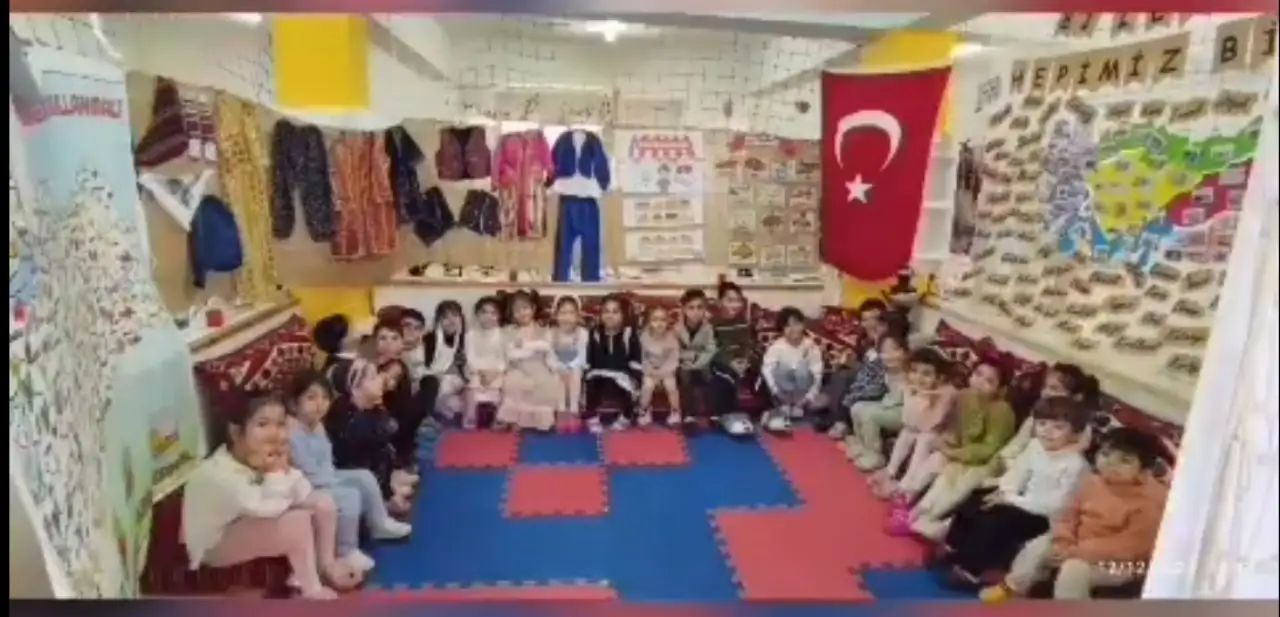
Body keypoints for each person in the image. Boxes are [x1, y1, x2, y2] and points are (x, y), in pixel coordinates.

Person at [182, 391, 355, 599]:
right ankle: (311, 588)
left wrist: (284, 470)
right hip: (213, 546)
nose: (274, 433)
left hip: (246, 518)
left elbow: (303, 491)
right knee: (297, 522)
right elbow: (265, 509)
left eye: (280, 424)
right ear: (236, 432)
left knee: (323, 504)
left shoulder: (255, 455)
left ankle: (326, 566)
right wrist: (276, 473)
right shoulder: (220, 474)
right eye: (262, 424)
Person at [982, 428, 1168, 602]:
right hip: (1077, 545)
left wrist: (1076, 552)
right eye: (1105, 454)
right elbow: (1068, 514)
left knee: (1074, 570)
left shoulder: (1151, 499)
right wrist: (1063, 542)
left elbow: (1131, 546)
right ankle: (1014, 588)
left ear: (1144, 469)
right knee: (1038, 547)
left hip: (1125, 563)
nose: (1111, 463)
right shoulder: (1092, 481)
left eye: (1125, 461)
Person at [935, 396, 1090, 587]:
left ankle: (972, 571)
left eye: (1058, 427)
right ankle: (954, 548)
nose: (1047, 431)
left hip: (1046, 517)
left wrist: (1011, 499)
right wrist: (1002, 492)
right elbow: (1017, 473)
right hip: (1021, 501)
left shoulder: (1075, 464)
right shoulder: (1035, 445)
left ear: (1075, 433)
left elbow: (1057, 506)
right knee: (977, 498)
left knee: (996, 520)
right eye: (1042, 424)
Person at [286, 371, 411, 577]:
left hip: (326, 476)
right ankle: (346, 550)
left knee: (364, 476)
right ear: (294, 404)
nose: (319, 404)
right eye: (311, 398)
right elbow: (305, 468)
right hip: (308, 486)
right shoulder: (292, 432)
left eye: (324, 398)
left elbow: (326, 458)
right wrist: (331, 480)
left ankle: (379, 522)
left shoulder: (317, 425)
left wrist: (332, 476)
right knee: (349, 495)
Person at [908, 357, 1018, 537]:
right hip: (962, 452)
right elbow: (955, 429)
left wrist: (954, 452)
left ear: (1001, 390)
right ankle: (912, 504)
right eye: (978, 374)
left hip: (988, 462)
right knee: (941, 463)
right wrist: (946, 443)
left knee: (962, 477)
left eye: (989, 381)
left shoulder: (1002, 411)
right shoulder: (964, 396)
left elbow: (989, 449)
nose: (980, 382)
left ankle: (931, 517)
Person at [324, 358, 413, 516]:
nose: (380, 380)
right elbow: (370, 449)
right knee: (381, 451)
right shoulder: (350, 417)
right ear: (355, 389)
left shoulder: (366, 409)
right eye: (372, 378)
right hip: (351, 474)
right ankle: (382, 499)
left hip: (367, 469)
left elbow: (388, 430)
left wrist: (377, 406)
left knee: (385, 450)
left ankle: (387, 490)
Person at [872, 347, 957, 505]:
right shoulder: (915, 388)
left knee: (924, 440)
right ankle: (890, 472)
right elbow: (910, 421)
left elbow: (932, 424)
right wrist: (914, 395)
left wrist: (926, 399)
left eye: (926, 374)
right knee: (907, 432)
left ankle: (905, 486)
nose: (918, 377)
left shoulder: (946, 393)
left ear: (940, 377)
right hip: (923, 427)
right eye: (914, 371)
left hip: (941, 434)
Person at [994, 363, 1100, 474]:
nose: (1046, 393)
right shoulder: (1036, 416)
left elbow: (1065, 465)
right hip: (1016, 470)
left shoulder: (1080, 429)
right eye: (1044, 387)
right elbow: (1013, 448)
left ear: (1076, 397)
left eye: (1055, 389)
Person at [496, 290, 561, 431]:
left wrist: (526, 346)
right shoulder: (508, 331)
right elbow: (511, 353)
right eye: (517, 310)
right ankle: (515, 420)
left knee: (545, 384)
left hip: (539, 366)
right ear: (511, 314)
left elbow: (547, 348)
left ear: (533, 308)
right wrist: (531, 348)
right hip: (517, 367)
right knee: (514, 382)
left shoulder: (542, 329)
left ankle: (539, 421)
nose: (522, 313)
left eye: (525, 308)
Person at [845, 334, 910, 468]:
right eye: (884, 351)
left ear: (904, 351)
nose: (889, 355)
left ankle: (875, 456)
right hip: (889, 405)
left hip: (905, 412)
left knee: (869, 415)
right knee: (857, 407)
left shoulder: (911, 371)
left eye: (895, 350)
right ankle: (862, 445)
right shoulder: (886, 370)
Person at [707, 281, 762, 436]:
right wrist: (731, 362)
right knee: (722, 374)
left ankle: (768, 411)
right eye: (730, 300)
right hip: (723, 362)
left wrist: (745, 361)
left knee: (762, 368)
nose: (735, 305)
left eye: (738, 300)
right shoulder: (712, 324)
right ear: (719, 302)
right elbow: (715, 348)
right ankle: (724, 414)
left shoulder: (744, 323)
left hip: (742, 363)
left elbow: (748, 345)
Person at [760, 306, 824, 434]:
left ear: (803, 325)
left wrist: (808, 398)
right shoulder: (777, 347)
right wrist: (776, 392)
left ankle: (798, 407)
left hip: (803, 392)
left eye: (796, 324)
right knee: (783, 368)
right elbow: (767, 370)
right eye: (787, 326)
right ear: (782, 329)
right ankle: (784, 406)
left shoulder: (811, 346)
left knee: (801, 369)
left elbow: (817, 374)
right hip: (782, 392)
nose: (792, 329)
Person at [584, 293, 643, 432]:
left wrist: (634, 378)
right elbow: (592, 358)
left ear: (623, 315)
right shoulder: (595, 333)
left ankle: (626, 417)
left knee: (627, 387)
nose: (610, 316)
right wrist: (590, 373)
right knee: (592, 384)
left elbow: (635, 359)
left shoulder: (629, 333)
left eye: (615, 312)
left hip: (623, 375)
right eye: (606, 311)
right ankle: (592, 417)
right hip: (600, 374)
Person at [417, 301, 467, 424]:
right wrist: (435, 375)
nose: (451, 321)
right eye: (445, 317)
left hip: (453, 380)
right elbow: (421, 365)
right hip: (431, 380)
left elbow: (464, 369)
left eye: (454, 315)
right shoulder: (429, 339)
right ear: (438, 320)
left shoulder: (464, 339)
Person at [675, 288, 717, 432]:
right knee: (685, 375)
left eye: (700, 307)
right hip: (683, 364)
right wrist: (689, 358)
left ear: (705, 309)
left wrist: (698, 363)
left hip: (702, 364)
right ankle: (689, 416)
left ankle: (713, 413)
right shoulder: (677, 328)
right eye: (691, 308)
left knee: (708, 375)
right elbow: (674, 350)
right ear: (683, 309)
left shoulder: (708, 328)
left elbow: (710, 349)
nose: (696, 312)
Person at [463, 296, 506, 429]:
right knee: (473, 383)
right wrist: (481, 372)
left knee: (503, 384)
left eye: (493, 313)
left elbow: (504, 358)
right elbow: (470, 357)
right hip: (477, 371)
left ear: (499, 316)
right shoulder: (470, 335)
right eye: (484, 312)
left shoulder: (502, 334)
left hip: (496, 371)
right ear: (477, 315)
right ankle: (470, 416)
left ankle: (498, 418)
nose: (488, 316)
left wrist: (494, 372)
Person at [547, 295, 589, 427]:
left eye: (571, 313)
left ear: (578, 316)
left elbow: (582, 355)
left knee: (575, 375)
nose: (567, 317)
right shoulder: (551, 333)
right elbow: (549, 355)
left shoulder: (582, 333)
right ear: (556, 315)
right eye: (563, 313)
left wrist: (570, 367)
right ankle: (561, 410)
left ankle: (574, 409)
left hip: (575, 367)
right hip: (557, 368)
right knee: (557, 377)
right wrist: (559, 367)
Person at [637, 305, 682, 427]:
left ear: (667, 322)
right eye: (655, 320)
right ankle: (644, 409)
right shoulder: (644, 337)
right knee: (648, 385)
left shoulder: (671, 338)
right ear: (649, 322)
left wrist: (664, 371)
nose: (659, 323)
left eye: (663, 320)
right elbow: (642, 357)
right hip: (649, 371)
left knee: (671, 385)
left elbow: (674, 357)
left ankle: (675, 411)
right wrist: (650, 371)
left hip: (666, 371)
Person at [399, 308, 430, 386]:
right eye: (407, 325)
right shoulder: (388, 349)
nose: (412, 330)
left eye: (417, 328)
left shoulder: (430, 349)